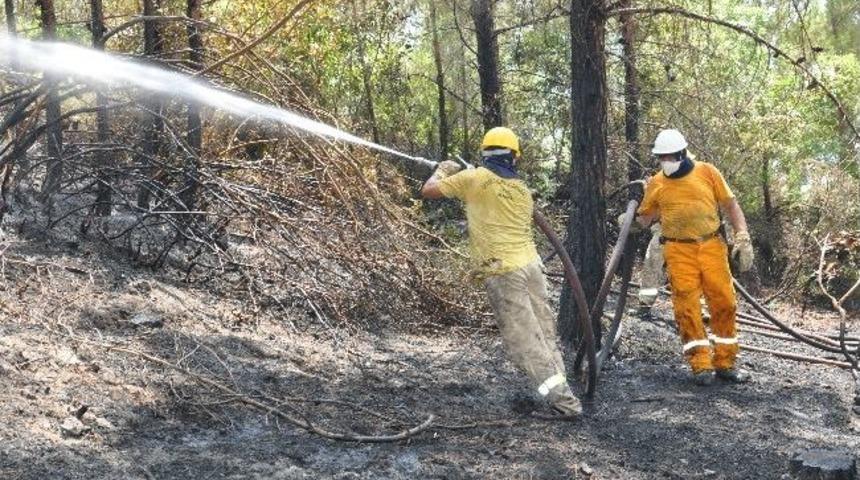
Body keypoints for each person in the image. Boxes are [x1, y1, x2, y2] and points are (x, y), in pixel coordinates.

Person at [421, 127, 582, 418]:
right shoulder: (521, 190)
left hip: (503, 270)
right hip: (532, 267)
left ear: (485, 153)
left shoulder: (475, 178)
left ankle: (565, 404)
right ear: (514, 157)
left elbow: (429, 190)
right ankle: (563, 391)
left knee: (524, 341)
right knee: (545, 333)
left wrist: (442, 170)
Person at [624, 129, 754, 386]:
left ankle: (725, 363)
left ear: (683, 153)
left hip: (711, 246)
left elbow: (730, 205)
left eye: (669, 156)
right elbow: (647, 217)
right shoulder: (658, 183)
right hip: (678, 249)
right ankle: (700, 364)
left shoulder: (707, 172)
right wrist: (631, 221)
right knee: (686, 306)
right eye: (661, 157)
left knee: (725, 302)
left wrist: (742, 236)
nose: (665, 161)